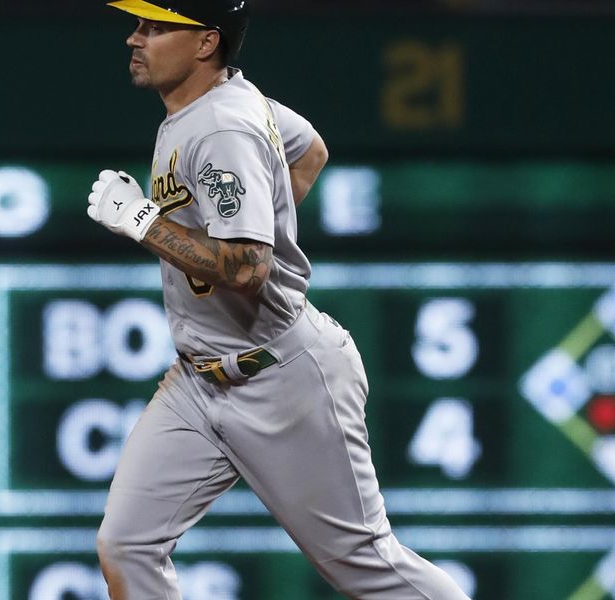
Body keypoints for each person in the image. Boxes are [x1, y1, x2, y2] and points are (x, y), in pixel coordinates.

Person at [87, 1, 471, 598]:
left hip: (281, 375)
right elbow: (309, 148)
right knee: (127, 542)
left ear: (205, 42)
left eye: (155, 28)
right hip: (198, 382)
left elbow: (245, 268)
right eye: (138, 24)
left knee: (364, 563)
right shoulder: (221, 105)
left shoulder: (222, 126)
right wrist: (266, 215)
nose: (135, 38)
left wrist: (142, 220)